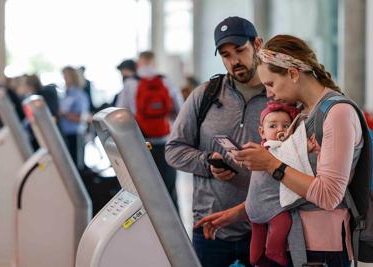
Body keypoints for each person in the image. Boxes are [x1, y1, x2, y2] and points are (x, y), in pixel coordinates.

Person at [195, 34, 363, 267]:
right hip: (298, 246)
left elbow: (328, 195)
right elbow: (291, 190)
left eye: (271, 84)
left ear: (293, 73)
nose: (269, 94)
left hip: (321, 251)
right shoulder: (304, 115)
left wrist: (270, 163)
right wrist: (238, 213)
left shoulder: (337, 114)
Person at [165, 17, 267, 267]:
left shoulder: (279, 94)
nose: (234, 61)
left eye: (240, 51)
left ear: (257, 44)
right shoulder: (205, 95)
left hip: (265, 227)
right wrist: (207, 163)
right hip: (210, 229)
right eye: (225, 55)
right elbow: (174, 149)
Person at [117, 51, 183, 211]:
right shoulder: (165, 81)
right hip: (165, 143)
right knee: (169, 189)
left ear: (139, 64)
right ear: (153, 62)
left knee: (143, 191)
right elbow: (180, 109)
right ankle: (175, 230)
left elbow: (120, 114)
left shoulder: (130, 83)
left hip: (141, 144)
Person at [246, 102, 303, 267]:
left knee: (258, 232)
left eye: (286, 125)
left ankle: (255, 257)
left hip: (253, 205)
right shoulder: (275, 147)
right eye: (273, 126)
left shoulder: (260, 149)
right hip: (270, 205)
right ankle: (274, 250)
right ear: (262, 132)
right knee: (284, 221)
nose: (280, 130)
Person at [60, 66, 90, 171]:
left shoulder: (79, 94)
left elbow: (83, 117)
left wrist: (65, 114)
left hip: (76, 132)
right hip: (66, 132)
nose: (64, 78)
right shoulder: (65, 94)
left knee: (77, 165)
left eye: (66, 76)